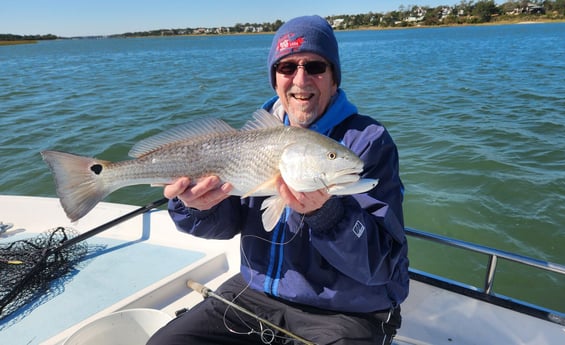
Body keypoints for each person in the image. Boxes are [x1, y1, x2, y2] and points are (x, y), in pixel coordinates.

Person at [148, 15, 409, 345]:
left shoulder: (367, 142)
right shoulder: (254, 138)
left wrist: (327, 215)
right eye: (287, 68)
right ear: (275, 80)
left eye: (315, 66)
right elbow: (226, 226)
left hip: (344, 312)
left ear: (334, 78)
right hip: (255, 294)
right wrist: (195, 208)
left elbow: (382, 264)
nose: (301, 80)